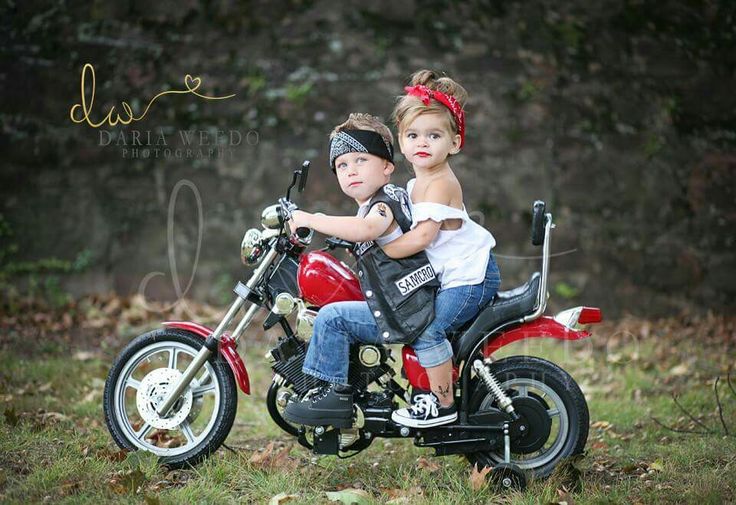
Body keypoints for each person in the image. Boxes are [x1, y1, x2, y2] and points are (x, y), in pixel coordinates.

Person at [283, 113, 440, 428]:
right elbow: (362, 228)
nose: (350, 170)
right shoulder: (371, 204)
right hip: (401, 302)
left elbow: (369, 228)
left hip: (404, 307)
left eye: (360, 160)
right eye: (342, 165)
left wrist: (311, 218)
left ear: (386, 167)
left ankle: (332, 394)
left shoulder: (385, 202)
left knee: (332, 318)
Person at [382, 69, 501, 428]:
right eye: (413, 135)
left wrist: (381, 250)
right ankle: (430, 387)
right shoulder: (417, 182)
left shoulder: (440, 183)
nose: (423, 142)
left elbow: (422, 238)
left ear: (455, 143)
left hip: (469, 277)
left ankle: (442, 403)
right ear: (401, 142)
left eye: (434, 135)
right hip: (454, 275)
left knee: (427, 329)